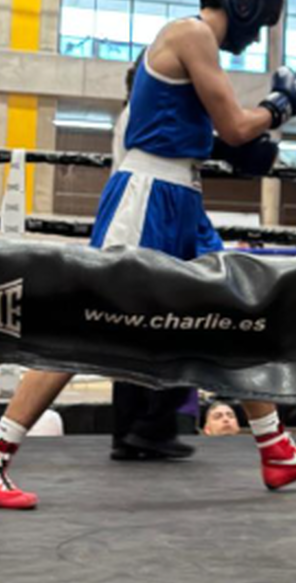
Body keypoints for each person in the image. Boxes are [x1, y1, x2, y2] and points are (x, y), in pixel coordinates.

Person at [0, 0, 296, 510]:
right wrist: (280, 106)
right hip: (148, 194)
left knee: (235, 315)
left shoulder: (194, 45)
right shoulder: (191, 33)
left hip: (183, 197)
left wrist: (256, 129)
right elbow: (237, 127)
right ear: (243, 4)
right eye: (259, 24)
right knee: (83, 327)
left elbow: (222, 137)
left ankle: (277, 450)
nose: (256, 37)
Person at [110, 55, 198, 463]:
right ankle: (149, 426)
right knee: (179, 323)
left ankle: (134, 431)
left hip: (141, 213)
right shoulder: (145, 118)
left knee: (136, 331)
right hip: (145, 214)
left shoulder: (134, 116)